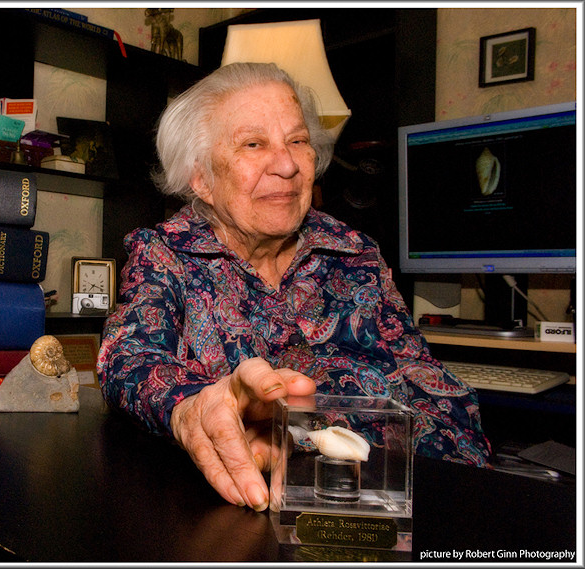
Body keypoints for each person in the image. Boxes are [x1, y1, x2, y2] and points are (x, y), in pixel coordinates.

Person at [97, 62, 491, 512]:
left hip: (390, 510)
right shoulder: (165, 254)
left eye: (298, 141)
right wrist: (190, 409)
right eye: (253, 143)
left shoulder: (354, 252)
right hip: (253, 522)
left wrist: (465, 497)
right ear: (201, 177)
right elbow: (127, 359)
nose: (286, 165)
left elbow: (429, 384)